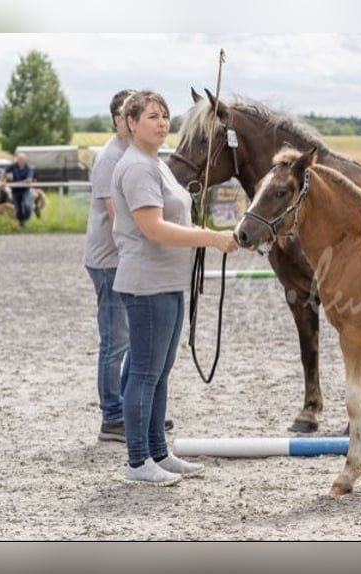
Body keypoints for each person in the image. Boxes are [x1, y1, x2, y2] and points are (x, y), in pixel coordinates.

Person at [112, 90, 238, 485]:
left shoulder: (157, 164)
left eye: (165, 116)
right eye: (152, 116)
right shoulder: (137, 168)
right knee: (146, 372)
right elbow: (153, 229)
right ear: (132, 123)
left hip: (166, 282)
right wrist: (210, 238)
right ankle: (137, 461)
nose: (162, 122)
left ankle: (157, 452)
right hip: (147, 283)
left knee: (158, 370)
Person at [84, 89, 177, 443]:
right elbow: (118, 215)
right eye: (132, 115)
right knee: (116, 340)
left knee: (131, 342)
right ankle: (113, 414)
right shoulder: (112, 159)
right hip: (110, 259)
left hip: (123, 257)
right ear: (120, 120)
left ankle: (130, 412)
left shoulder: (136, 154)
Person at [3, 152, 34, 226]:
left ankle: (26, 217)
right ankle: (21, 223)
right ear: (17, 159)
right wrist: (2, 181)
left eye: (22, 159)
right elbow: (4, 173)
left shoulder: (29, 168)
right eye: (19, 159)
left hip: (25, 190)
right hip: (15, 191)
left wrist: (17, 182)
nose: (20, 161)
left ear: (25, 160)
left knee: (27, 205)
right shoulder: (13, 166)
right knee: (18, 208)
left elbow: (29, 180)